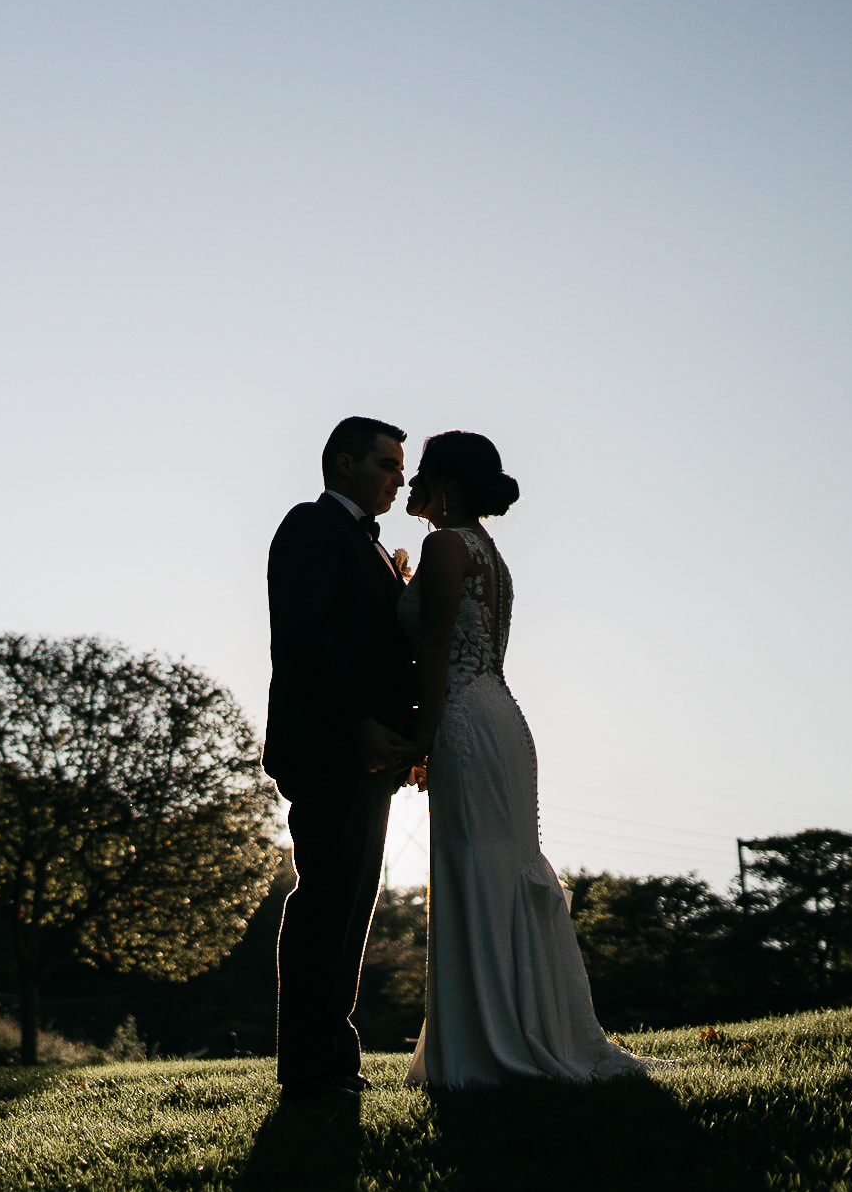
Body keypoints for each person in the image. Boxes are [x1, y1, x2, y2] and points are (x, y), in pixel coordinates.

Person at [398, 430, 652, 1086]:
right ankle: (528, 1026)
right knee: (504, 868)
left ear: (446, 483)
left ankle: (489, 1043)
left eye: (421, 472)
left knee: (475, 871)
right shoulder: (490, 554)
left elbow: (434, 649)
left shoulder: (446, 546)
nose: (411, 484)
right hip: (502, 717)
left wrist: (419, 739)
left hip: (462, 719)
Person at [263, 416, 418, 1101]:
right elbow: (306, 637)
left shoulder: (371, 545)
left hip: (370, 755)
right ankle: (310, 1067)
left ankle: (335, 1057)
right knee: (326, 903)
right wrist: (359, 723)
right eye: (388, 465)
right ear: (344, 463)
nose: (399, 479)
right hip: (329, 747)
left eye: (401, 468)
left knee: (352, 906)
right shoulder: (311, 526)